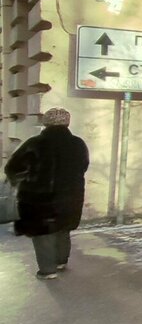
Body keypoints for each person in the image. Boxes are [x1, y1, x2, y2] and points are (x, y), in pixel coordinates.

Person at [4, 107, 90, 280]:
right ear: (67, 123)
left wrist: (21, 179)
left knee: (43, 233)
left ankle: (48, 270)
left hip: (39, 199)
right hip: (70, 196)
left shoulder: (34, 143)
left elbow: (13, 167)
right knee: (63, 228)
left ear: (46, 123)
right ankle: (61, 262)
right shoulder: (78, 143)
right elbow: (84, 165)